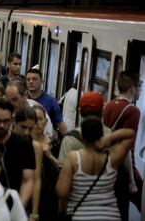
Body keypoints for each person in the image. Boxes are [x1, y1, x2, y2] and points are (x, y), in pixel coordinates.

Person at [56, 116, 135, 220]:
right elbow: (130, 134)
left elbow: (61, 191)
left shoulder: (73, 158)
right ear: (101, 135)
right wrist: (110, 138)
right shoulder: (112, 158)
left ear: (82, 136)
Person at [103, 71, 142, 219]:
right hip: (123, 170)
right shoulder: (132, 111)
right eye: (140, 86)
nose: (141, 90)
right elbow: (126, 149)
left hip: (108, 165)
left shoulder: (109, 105)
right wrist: (132, 179)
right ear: (132, 88)